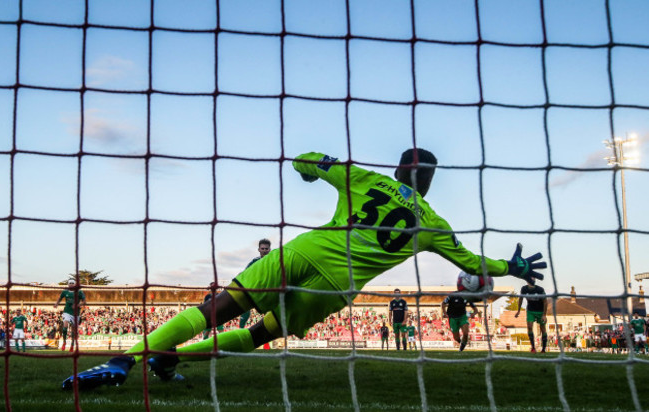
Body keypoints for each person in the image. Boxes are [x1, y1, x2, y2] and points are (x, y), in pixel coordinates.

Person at [62, 148, 546, 390]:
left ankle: (124, 360)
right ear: (429, 181)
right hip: (337, 288)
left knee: (221, 306)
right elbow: (474, 264)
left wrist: (321, 165)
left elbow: (305, 161)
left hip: (306, 251)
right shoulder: (434, 224)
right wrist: (513, 265)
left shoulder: (364, 176)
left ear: (399, 171)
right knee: (259, 335)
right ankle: (170, 360)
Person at [239, 239, 271, 329]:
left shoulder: (273, 259)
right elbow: (245, 273)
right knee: (244, 304)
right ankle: (241, 329)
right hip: (256, 288)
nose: (264, 250)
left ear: (270, 249)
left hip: (270, 289)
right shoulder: (254, 261)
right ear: (259, 249)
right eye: (263, 248)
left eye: (266, 249)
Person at [514, 281, 548, 353]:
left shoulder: (540, 290)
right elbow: (520, 299)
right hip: (530, 311)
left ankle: (544, 349)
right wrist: (518, 310)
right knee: (529, 326)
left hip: (540, 311)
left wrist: (544, 315)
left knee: (542, 328)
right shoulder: (524, 289)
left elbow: (545, 302)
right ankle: (533, 348)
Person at [54, 279, 86, 351]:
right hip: (67, 311)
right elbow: (60, 298)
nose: (71, 284)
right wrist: (56, 304)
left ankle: (72, 345)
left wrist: (78, 305)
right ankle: (64, 342)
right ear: (68, 284)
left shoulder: (79, 292)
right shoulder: (65, 291)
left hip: (75, 313)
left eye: (72, 283)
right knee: (65, 325)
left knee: (73, 330)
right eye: (70, 283)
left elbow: (84, 302)